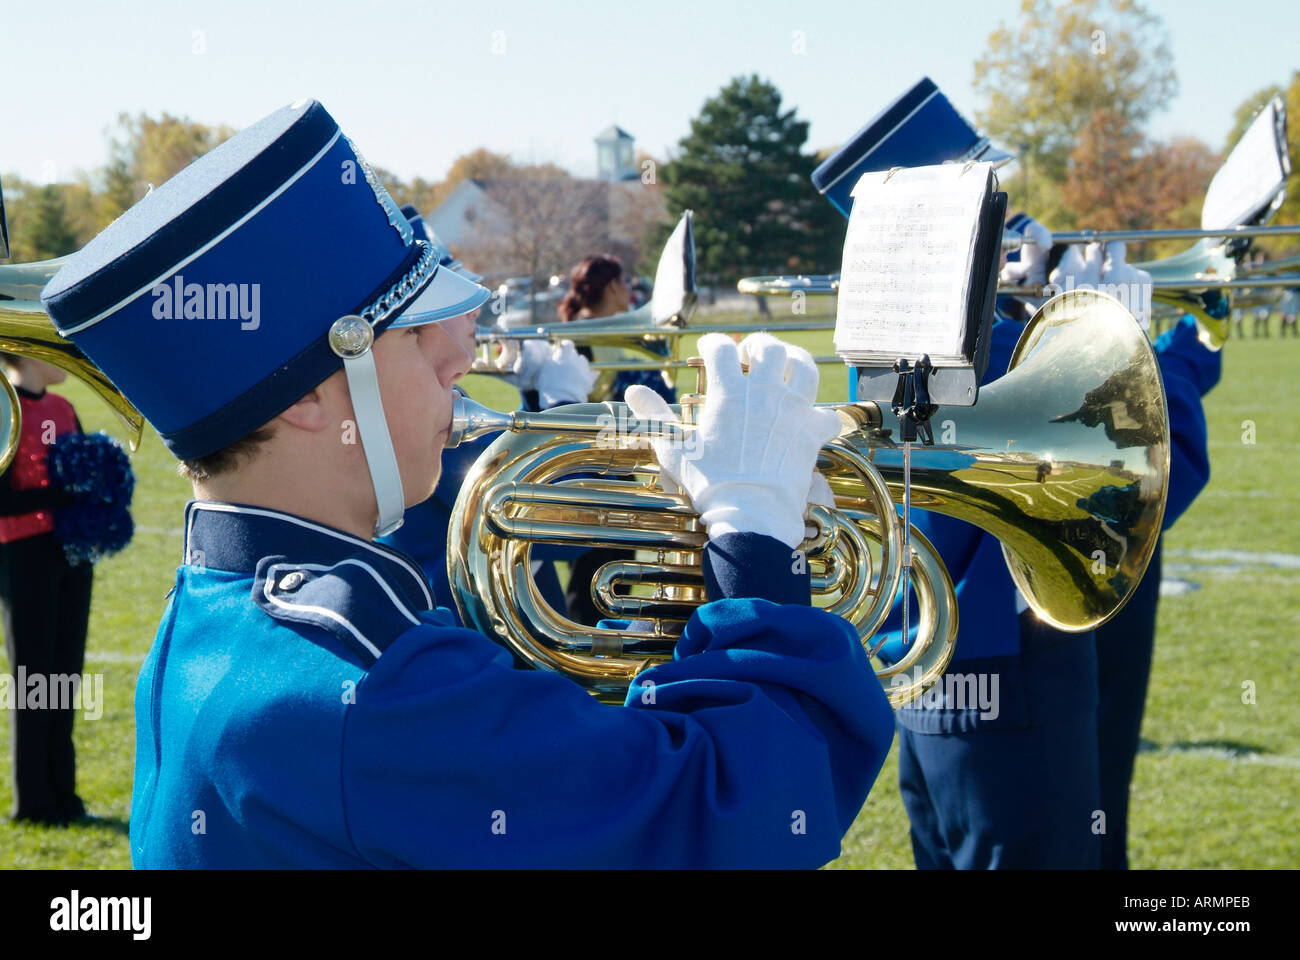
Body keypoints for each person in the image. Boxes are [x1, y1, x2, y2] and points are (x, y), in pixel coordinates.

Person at [40, 99, 896, 868]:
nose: (459, 357)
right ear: (309, 397)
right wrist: (754, 538)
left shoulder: (216, 617)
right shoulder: (365, 690)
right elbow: (739, 812)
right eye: (411, 336)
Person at [0, 355, 90, 825]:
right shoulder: (2, 406)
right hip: (22, 555)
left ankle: (65, 795)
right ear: (28, 354)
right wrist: (64, 495)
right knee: (34, 681)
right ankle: (33, 803)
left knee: (65, 675)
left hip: (70, 554)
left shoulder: (63, 406)